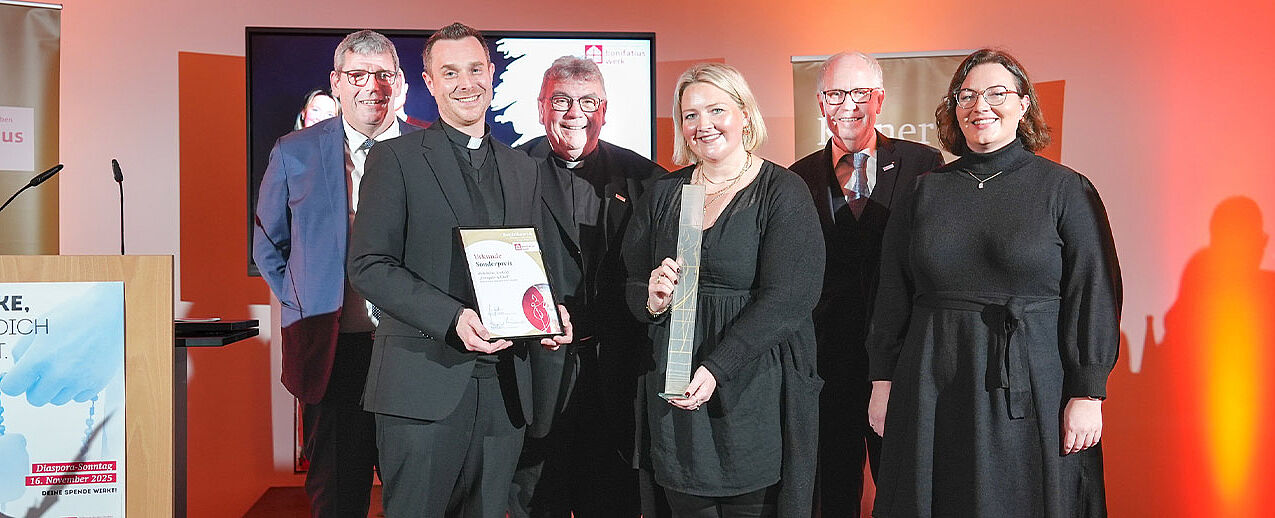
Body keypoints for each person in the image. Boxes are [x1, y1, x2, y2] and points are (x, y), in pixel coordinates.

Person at [865, 48, 1121, 517]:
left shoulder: (1066, 189)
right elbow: (893, 292)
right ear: (953, 110)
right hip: (933, 383)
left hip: (1034, 383)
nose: (980, 106)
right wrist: (882, 381)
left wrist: (1088, 391)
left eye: (996, 93)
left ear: (1024, 105)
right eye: (967, 96)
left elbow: (1094, 290)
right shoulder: (923, 191)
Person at [346, 22, 570, 518]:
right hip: (421, 387)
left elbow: (534, 264)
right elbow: (369, 265)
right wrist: (452, 318)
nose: (465, 83)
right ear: (429, 82)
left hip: (506, 391)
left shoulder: (523, 168)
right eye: (450, 72)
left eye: (474, 69)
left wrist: (550, 314)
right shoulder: (394, 158)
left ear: (491, 73)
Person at [620, 62, 824, 518]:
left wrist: (717, 367)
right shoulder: (663, 193)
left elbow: (789, 299)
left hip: (751, 387)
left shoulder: (783, 191)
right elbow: (631, 283)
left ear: (746, 114)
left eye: (716, 110)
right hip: (675, 389)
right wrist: (651, 300)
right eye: (690, 115)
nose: (703, 125)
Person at [253, 29, 420, 517]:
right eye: (357, 75)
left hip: (415, 352)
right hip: (332, 353)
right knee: (337, 495)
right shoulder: (294, 151)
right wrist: (303, 298)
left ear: (400, 82)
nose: (372, 86)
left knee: (420, 494)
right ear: (336, 83)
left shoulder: (429, 149)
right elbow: (269, 243)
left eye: (383, 75)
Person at [510, 55, 665, 518]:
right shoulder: (509, 171)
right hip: (534, 379)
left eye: (587, 101)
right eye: (561, 100)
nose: (575, 112)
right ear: (541, 107)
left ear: (604, 108)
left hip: (614, 382)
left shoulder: (645, 179)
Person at [788, 51, 943, 515]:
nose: (847, 105)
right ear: (820, 102)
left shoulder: (923, 164)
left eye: (859, 93)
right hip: (826, 365)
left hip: (899, 362)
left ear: (879, 100)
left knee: (903, 489)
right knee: (832, 490)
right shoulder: (798, 177)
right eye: (836, 94)